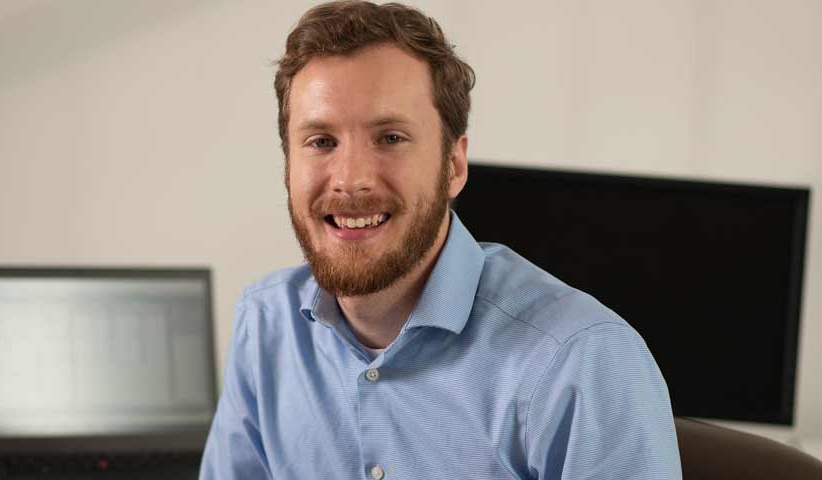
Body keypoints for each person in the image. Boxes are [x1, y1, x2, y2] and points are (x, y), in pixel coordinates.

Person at [200, 2, 681, 478]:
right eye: (321, 141)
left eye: (389, 138)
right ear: (288, 165)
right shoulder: (265, 324)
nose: (349, 180)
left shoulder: (580, 361)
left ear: (453, 165)